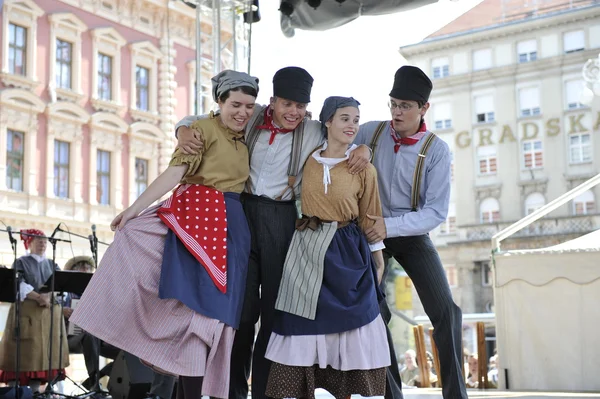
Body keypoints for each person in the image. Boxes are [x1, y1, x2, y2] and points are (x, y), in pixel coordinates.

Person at [175, 67, 372, 399]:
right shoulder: (248, 117)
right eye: (286, 104)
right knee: (240, 311)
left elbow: (346, 134)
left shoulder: (312, 129)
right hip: (241, 213)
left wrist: (364, 149)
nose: (293, 112)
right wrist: (182, 129)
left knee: (273, 314)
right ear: (272, 102)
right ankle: (232, 391)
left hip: (282, 220)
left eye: (300, 106)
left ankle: (265, 394)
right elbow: (201, 118)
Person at [69, 70, 260, 399]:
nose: (243, 112)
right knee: (194, 314)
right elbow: (175, 172)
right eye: (236, 105)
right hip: (197, 219)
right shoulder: (201, 130)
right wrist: (133, 209)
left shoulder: (246, 136)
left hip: (232, 230)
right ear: (220, 102)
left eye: (249, 106)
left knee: (215, 320)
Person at [263, 96, 389, 399]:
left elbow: (370, 214)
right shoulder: (308, 157)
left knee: (349, 325)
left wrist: (379, 258)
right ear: (327, 122)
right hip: (307, 248)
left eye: (356, 120)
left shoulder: (363, 167)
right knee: (300, 322)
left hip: (347, 250)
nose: (352, 125)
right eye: (345, 118)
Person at [354, 65, 468, 399]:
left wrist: (389, 225)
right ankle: (392, 393)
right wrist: (355, 147)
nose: (397, 112)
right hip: (369, 234)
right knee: (376, 310)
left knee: (446, 312)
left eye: (405, 106)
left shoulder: (436, 150)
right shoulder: (369, 133)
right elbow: (328, 134)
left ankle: (456, 394)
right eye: (393, 104)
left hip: (410, 231)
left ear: (423, 109)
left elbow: (434, 212)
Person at [0, 229, 69, 393]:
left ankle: (37, 392)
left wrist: (48, 296)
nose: (43, 245)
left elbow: (61, 284)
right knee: (25, 353)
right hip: (27, 314)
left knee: (44, 354)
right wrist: (39, 297)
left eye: (45, 242)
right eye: (39, 241)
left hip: (48, 316)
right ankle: (16, 392)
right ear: (29, 243)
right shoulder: (21, 262)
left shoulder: (52, 264)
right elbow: (19, 283)